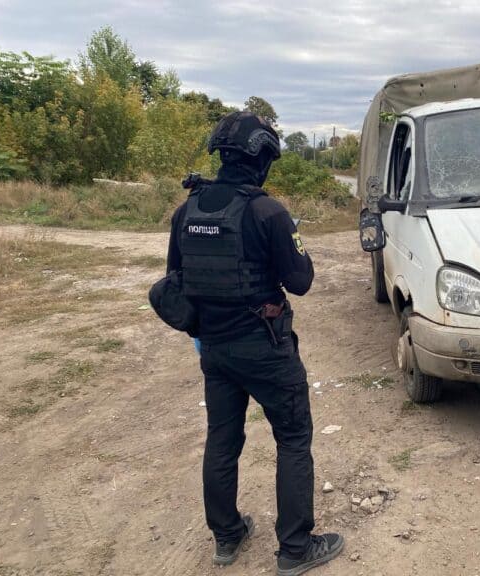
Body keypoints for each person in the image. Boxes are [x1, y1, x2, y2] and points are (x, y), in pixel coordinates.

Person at [165, 111, 344, 575]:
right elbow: (300, 281)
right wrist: (294, 236)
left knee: (222, 440)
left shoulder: (187, 210)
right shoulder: (268, 211)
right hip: (265, 349)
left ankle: (227, 537)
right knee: (292, 439)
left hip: (215, 351)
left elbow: (175, 280)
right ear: (261, 157)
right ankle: (296, 549)